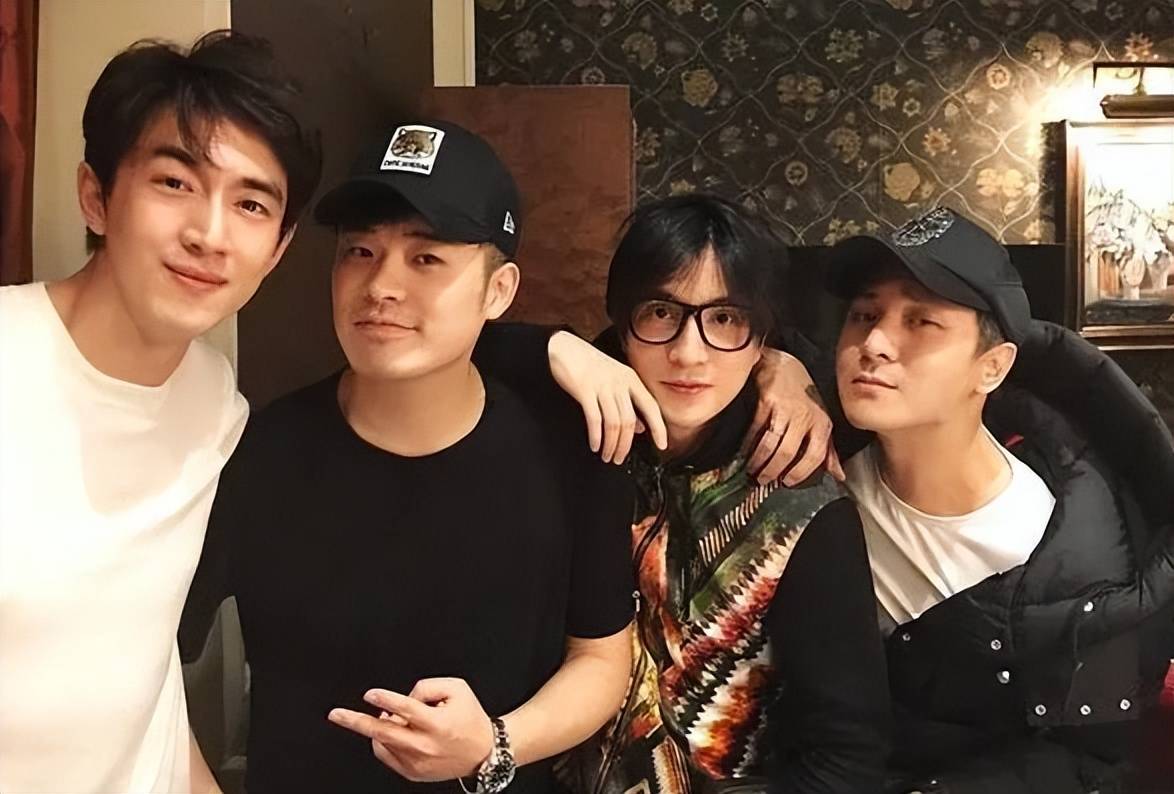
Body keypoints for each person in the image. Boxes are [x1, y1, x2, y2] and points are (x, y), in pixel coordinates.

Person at [180, 120, 640, 793]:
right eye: (360, 252)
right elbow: (143, 661)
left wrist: (495, 744)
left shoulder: (571, 446)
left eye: (426, 259)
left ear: (498, 291)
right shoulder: (258, 453)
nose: (380, 286)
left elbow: (600, 659)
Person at [0, 30, 321, 794]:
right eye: (175, 182)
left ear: (278, 249)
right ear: (96, 195)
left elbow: (136, 677)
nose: (209, 234)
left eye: (251, 203)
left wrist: (551, 348)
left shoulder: (214, 406)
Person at [828, 207, 1174, 793]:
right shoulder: (809, 475)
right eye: (864, 315)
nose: (874, 343)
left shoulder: (1072, 553)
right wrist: (776, 371)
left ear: (991, 367)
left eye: (921, 321)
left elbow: (1090, 758)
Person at [587, 194, 890, 794]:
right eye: (660, 312)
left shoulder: (798, 499)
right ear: (622, 325)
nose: (689, 351)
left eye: (725, 318)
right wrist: (555, 347)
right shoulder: (570, 454)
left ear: (761, 342)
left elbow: (848, 756)